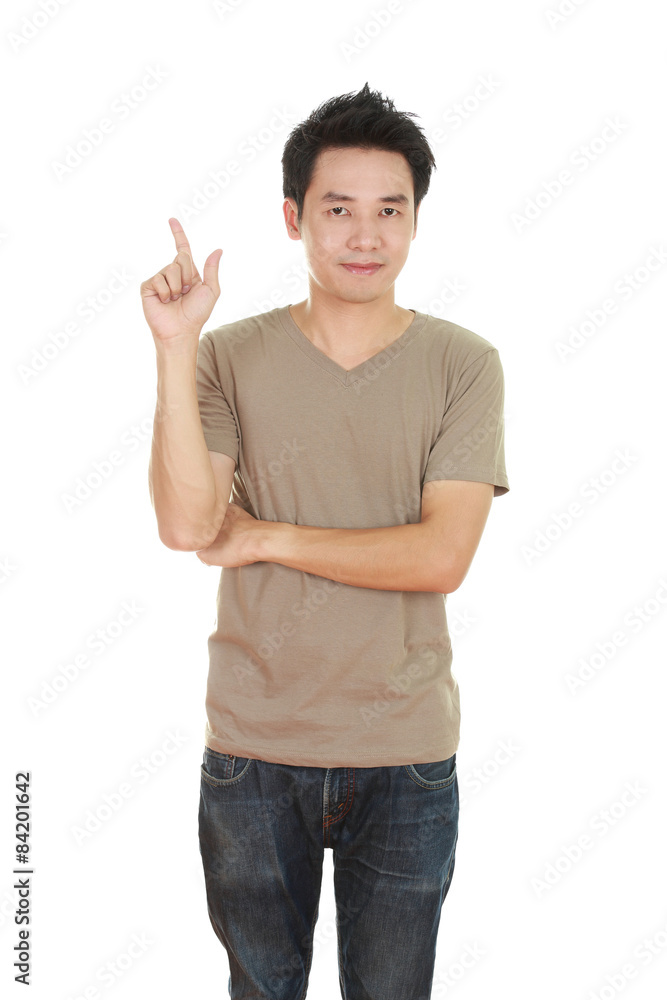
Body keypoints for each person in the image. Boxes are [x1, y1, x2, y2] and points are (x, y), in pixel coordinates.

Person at [141, 82, 509, 1000]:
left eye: (390, 210)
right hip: (254, 749)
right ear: (292, 218)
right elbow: (188, 525)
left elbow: (440, 558)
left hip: (406, 752)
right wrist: (175, 348)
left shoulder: (462, 364)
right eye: (338, 210)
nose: (365, 235)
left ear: (415, 221)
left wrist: (265, 536)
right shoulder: (226, 355)